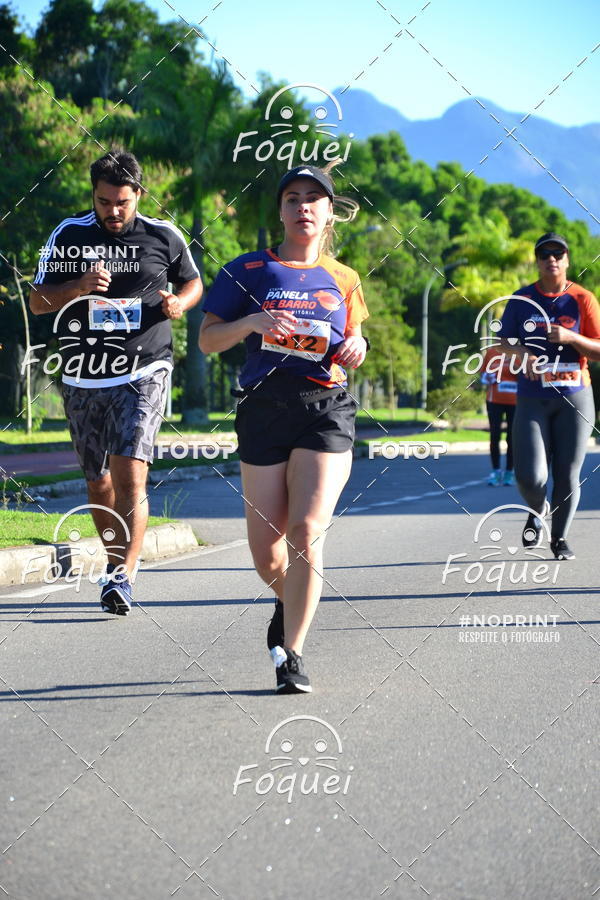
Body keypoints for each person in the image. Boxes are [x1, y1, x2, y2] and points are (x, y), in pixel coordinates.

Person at [199, 163, 369, 693]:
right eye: (293, 198)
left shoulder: (344, 278)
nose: (303, 207)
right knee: (268, 551)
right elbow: (207, 340)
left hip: (326, 406)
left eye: (313, 199)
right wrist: (251, 324)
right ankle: (288, 595)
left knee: (305, 532)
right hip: (263, 408)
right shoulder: (246, 270)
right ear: (281, 210)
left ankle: (291, 655)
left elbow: (356, 341)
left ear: (328, 213)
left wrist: (358, 348)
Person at [29, 149, 203, 613]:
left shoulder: (164, 235)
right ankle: (111, 570)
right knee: (97, 481)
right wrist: (77, 287)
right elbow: (37, 301)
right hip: (84, 375)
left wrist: (179, 304)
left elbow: (193, 283)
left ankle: (122, 576)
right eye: (105, 202)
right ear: (94, 196)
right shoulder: (68, 235)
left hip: (145, 367)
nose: (113, 211)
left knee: (130, 471)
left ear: (138, 195)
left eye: (122, 201)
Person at [499, 232, 600, 560]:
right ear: (538, 261)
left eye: (558, 254)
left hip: (575, 397)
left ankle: (559, 540)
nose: (552, 259)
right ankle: (536, 507)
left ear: (568, 260)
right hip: (532, 398)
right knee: (530, 476)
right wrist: (523, 353)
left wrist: (573, 337)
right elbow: (500, 342)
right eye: (545, 254)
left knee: (567, 472)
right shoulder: (521, 300)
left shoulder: (583, 299)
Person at [479, 347, 517, 485]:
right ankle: (495, 472)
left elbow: (527, 375)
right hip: (494, 400)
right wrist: (487, 377)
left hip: (515, 401)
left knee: (511, 437)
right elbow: (482, 375)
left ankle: (509, 472)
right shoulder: (491, 352)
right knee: (494, 435)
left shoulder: (520, 352)